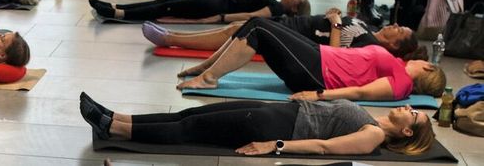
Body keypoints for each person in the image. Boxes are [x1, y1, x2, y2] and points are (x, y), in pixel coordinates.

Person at [176, 17, 446, 101]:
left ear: (428, 67)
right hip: (320, 57)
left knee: (258, 28)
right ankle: (207, 68)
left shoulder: (402, 84)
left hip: (318, 74)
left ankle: (209, 78)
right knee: (255, 24)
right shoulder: (397, 67)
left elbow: (361, 92)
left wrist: (316, 96)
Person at [79, 92, 434, 156]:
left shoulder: (372, 136)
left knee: (192, 130)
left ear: (407, 132)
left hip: (272, 127)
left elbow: (323, 146)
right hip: (277, 111)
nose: (407, 107)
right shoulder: (371, 119)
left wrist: (274, 146)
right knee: (189, 115)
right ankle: (118, 117)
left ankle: (114, 130)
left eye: (413, 114)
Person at [143, 8, 426, 60]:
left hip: (298, 37)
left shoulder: (368, 44)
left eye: (398, 30)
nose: (394, 25)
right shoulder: (370, 30)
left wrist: (337, 24)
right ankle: (172, 34)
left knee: (238, 30)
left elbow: (338, 56)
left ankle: (170, 38)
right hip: (297, 23)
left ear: (395, 44)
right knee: (237, 27)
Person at [89, 0, 310, 22]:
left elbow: (251, 16)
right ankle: (116, 5)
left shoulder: (277, 10)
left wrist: (220, 18)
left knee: (165, 7)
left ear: (294, 9)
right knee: (163, 2)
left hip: (214, 5)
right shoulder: (274, 1)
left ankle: (117, 13)